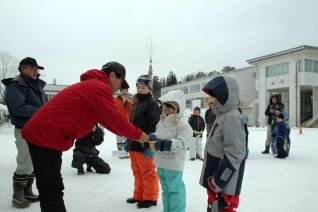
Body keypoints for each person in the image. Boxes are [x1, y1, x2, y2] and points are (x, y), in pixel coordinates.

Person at [21, 61, 149, 212]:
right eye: (120, 82)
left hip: (46, 135)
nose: (120, 87)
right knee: (51, 189)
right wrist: (139, 135)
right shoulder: (98, 87)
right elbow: (115, 119)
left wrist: (131, 133)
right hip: (45, 135)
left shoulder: (93, 86)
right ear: (113, 75)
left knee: (51, 187)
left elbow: (108, 121)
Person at [1, 57, 46, 208]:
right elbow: (18, 108)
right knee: (24, 161)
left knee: (33, 161)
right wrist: (42, 112)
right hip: (24, 129)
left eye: (37, 68)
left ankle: (27, 190)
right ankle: (18, 194)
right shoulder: (16, 85)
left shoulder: (37, 86)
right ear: (23, 69)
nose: (36, 71)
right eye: (32, 68)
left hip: (37, 129)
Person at [200, 76, 246, 212]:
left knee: (223, 209)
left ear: (225, 96)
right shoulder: (221, 115)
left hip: (224, 185)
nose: (210, 100)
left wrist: (217, 182)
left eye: (214, 96)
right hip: (215, 183)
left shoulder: (232, 117)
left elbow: (235, 154)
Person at [146, 90, 192, 212]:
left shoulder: (183, 125)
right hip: (161, 163)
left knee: (175, 190)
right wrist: (152, 138)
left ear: (178, 108)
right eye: (165, 107)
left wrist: (164, 144)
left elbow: (182, 142)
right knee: (166, 191)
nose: (166, 110)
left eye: (169, 108)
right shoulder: (162, 121)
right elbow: (158, 134)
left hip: (173, 165)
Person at [125, 74, 161, 208]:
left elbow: (154, 124)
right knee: (137, 171)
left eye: (143, 87)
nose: (140, 89)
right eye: (138, 87)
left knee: (147, 171)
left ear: (150, 89)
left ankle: (150, 197)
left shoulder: (152, 103)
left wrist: (149, 143)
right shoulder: (135, 103)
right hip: (134, 143)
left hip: (144, 143)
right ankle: (139, 195)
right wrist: (128, 139)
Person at [114, 83, 133, 159]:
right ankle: (120, 153)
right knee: (119, 138)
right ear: (120, 91)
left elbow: (131, 109)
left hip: (127, 122)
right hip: (119, 122)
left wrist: (128, 102)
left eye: (126, 90)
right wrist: (122, 102)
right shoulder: (117, 99)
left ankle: (125, 153)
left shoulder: (129, 99)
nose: (124, 92)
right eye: (123, 90)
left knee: (126, 138)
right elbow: (116, 108)